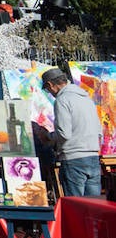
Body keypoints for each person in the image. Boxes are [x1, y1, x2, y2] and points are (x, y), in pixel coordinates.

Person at [39, 68, 102, 197]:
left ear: (50, 85)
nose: (50, 93)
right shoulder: (87, 99)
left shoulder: (62, 100)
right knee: (93, 205)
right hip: (93, 157)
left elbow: (64, 133)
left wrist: (49, 137)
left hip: (74, 159)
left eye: (47, 89)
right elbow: (99, 131)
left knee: (75, 205)